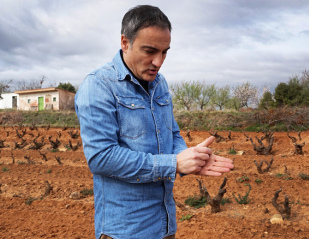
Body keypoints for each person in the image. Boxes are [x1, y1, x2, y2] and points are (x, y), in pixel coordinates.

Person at [75, 5, 234, 239]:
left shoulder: (160, 83)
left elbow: (172, 133)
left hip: (165, 223)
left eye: (165, 52)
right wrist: (173, 164)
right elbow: (101, 158)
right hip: (125, 230)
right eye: (150, 51)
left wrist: (191, 157)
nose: (158, 62)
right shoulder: (99, 86)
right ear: (125, 42)